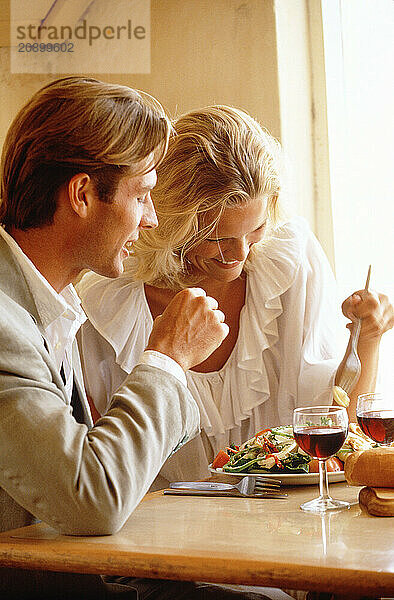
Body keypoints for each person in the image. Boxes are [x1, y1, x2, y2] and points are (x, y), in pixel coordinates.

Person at [0, 78, 281, 600]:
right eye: (143, 193)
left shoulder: (45, 300)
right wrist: (166, 360)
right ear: (82, 195)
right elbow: (92, 498)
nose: (152, 218)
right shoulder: (3, 323)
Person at [77, 105, 393, 487]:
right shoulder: (109, 302)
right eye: (218, 238)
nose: (241, 254)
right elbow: (105, 465)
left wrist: (369, 340)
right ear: (172, 227)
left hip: (288, 526)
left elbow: (342, 434)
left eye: (255, 228)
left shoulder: (287, 264)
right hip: (162, 533)